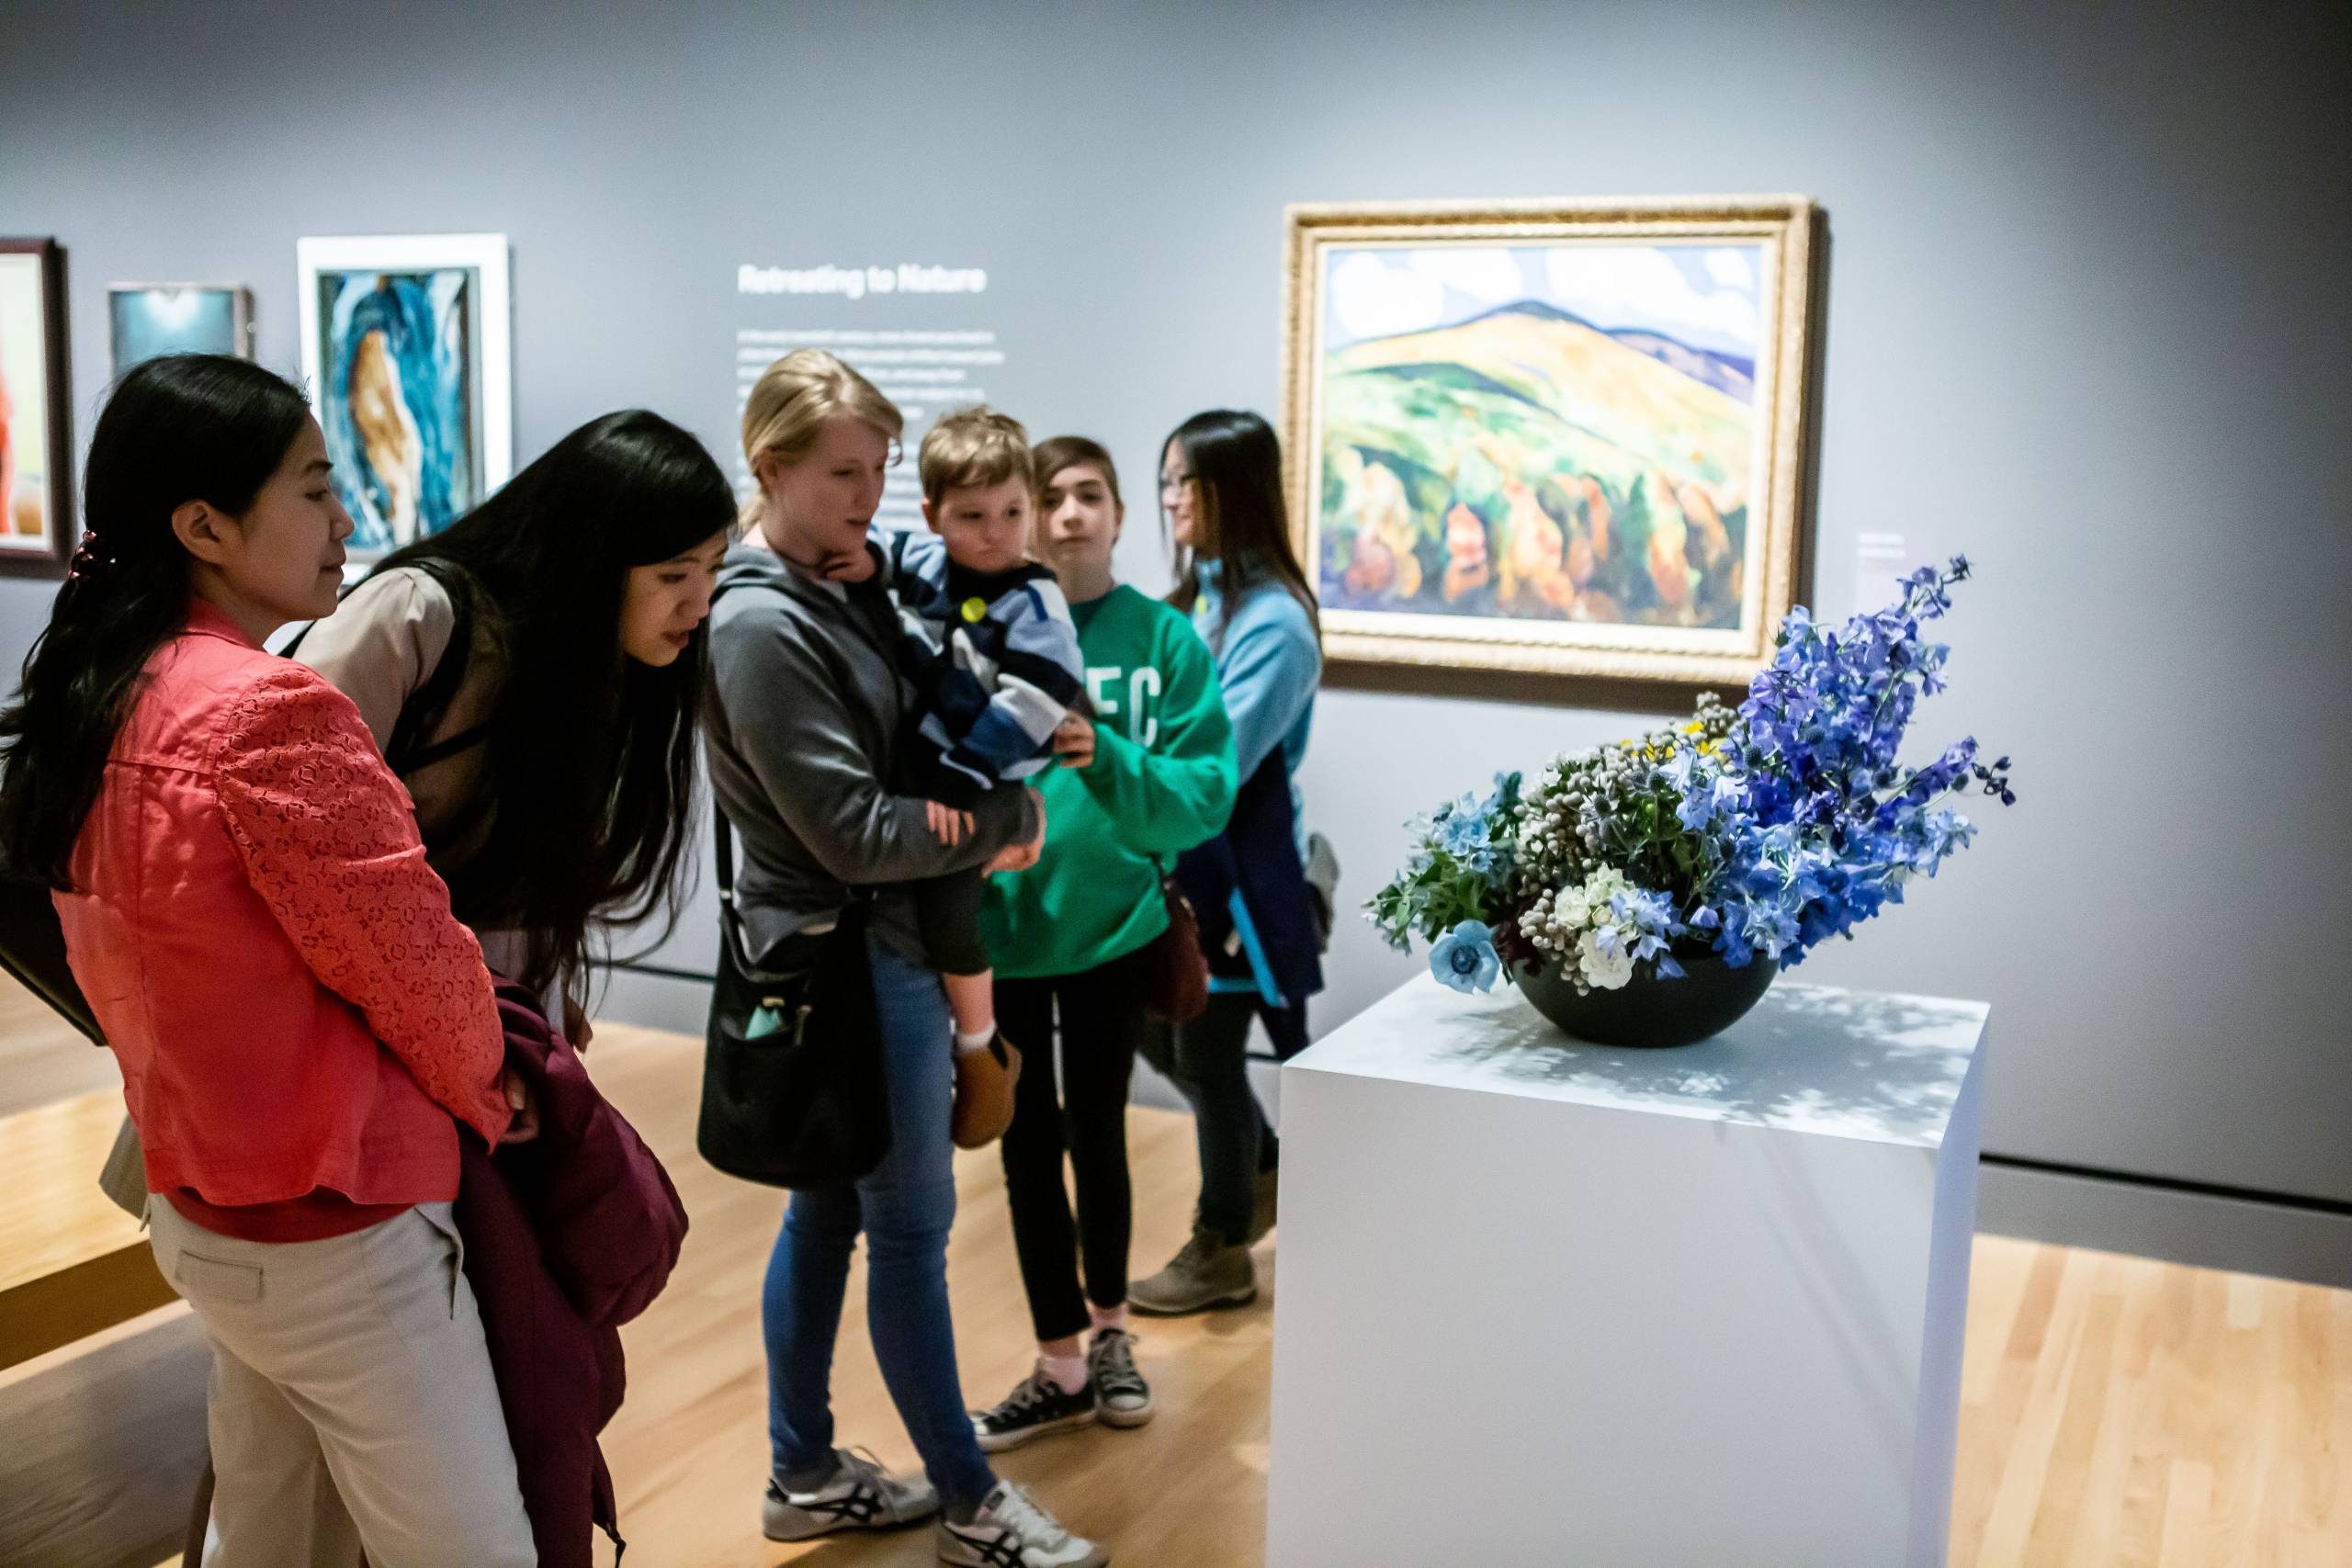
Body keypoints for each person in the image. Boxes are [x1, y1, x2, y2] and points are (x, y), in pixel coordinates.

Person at [0, 354, 536, 1564]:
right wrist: (493, 1087)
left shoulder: (105, 688)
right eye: (311, 487)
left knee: (267, 1527)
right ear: (203, 524)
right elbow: (414, 967)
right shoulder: (268, 711)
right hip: (335, 1225)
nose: (346, 518)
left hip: (201, 1200)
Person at [706, 346, 1106, 1568]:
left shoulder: (836, 579)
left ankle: (804, 1471)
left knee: (828, 1213)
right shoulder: (764, 618)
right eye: (843, 471)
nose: (867, 494)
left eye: (880, 468)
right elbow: (858, 828)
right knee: (911, 1228)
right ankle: (974, 1504)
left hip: (859, 944)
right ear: (770, 465)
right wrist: (1014, 821)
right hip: (850, 953)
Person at [970, 435, 1238, 1449]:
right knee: (1025, 1150)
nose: (1069, 512)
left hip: (1114, 934)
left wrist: (1102, 747)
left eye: (1090, 495)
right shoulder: (986, 633)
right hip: (1000, 939)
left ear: (1121, 515)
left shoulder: (1164, 641)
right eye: (1050, 497)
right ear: (1024, 518)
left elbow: (1201, 793)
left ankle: (1113, 1331)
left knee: (1100, 1134)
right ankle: (1059, 1360)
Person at [293, 408, 733, 1015]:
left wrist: (540, 1003)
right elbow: (291, 836)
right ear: (589, 556)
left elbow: (532, 887)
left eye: (714, 568)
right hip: (353, 1003)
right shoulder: (422, 614)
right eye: (674, 573)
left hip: (476, 1010)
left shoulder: (601, 665)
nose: (702, 601)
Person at [1129, 409, 1325, 1317]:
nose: (1169, 500)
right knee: (1156, 1033)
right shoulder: (1203, 597)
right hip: (1178, 868)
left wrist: (1125, 772)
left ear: (1229, 493)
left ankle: (1222, 1247)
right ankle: (1260, 1165)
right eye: (1164, 480)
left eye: (1185, 482)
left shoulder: (1276, 623)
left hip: (1234, 879)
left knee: (1205, 1054)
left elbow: (1217, 763)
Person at [884, 404, 1088, 1146]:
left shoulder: (1034, 597)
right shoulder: (923, 560)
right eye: (973, 515)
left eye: (1012, 510)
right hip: (937, 760)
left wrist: (962, 774)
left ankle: (980, 1045)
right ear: (935, 514)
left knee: (947, 904)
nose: (997, 530)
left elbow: (1037, 696)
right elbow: (877, 550)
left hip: (983, 769)